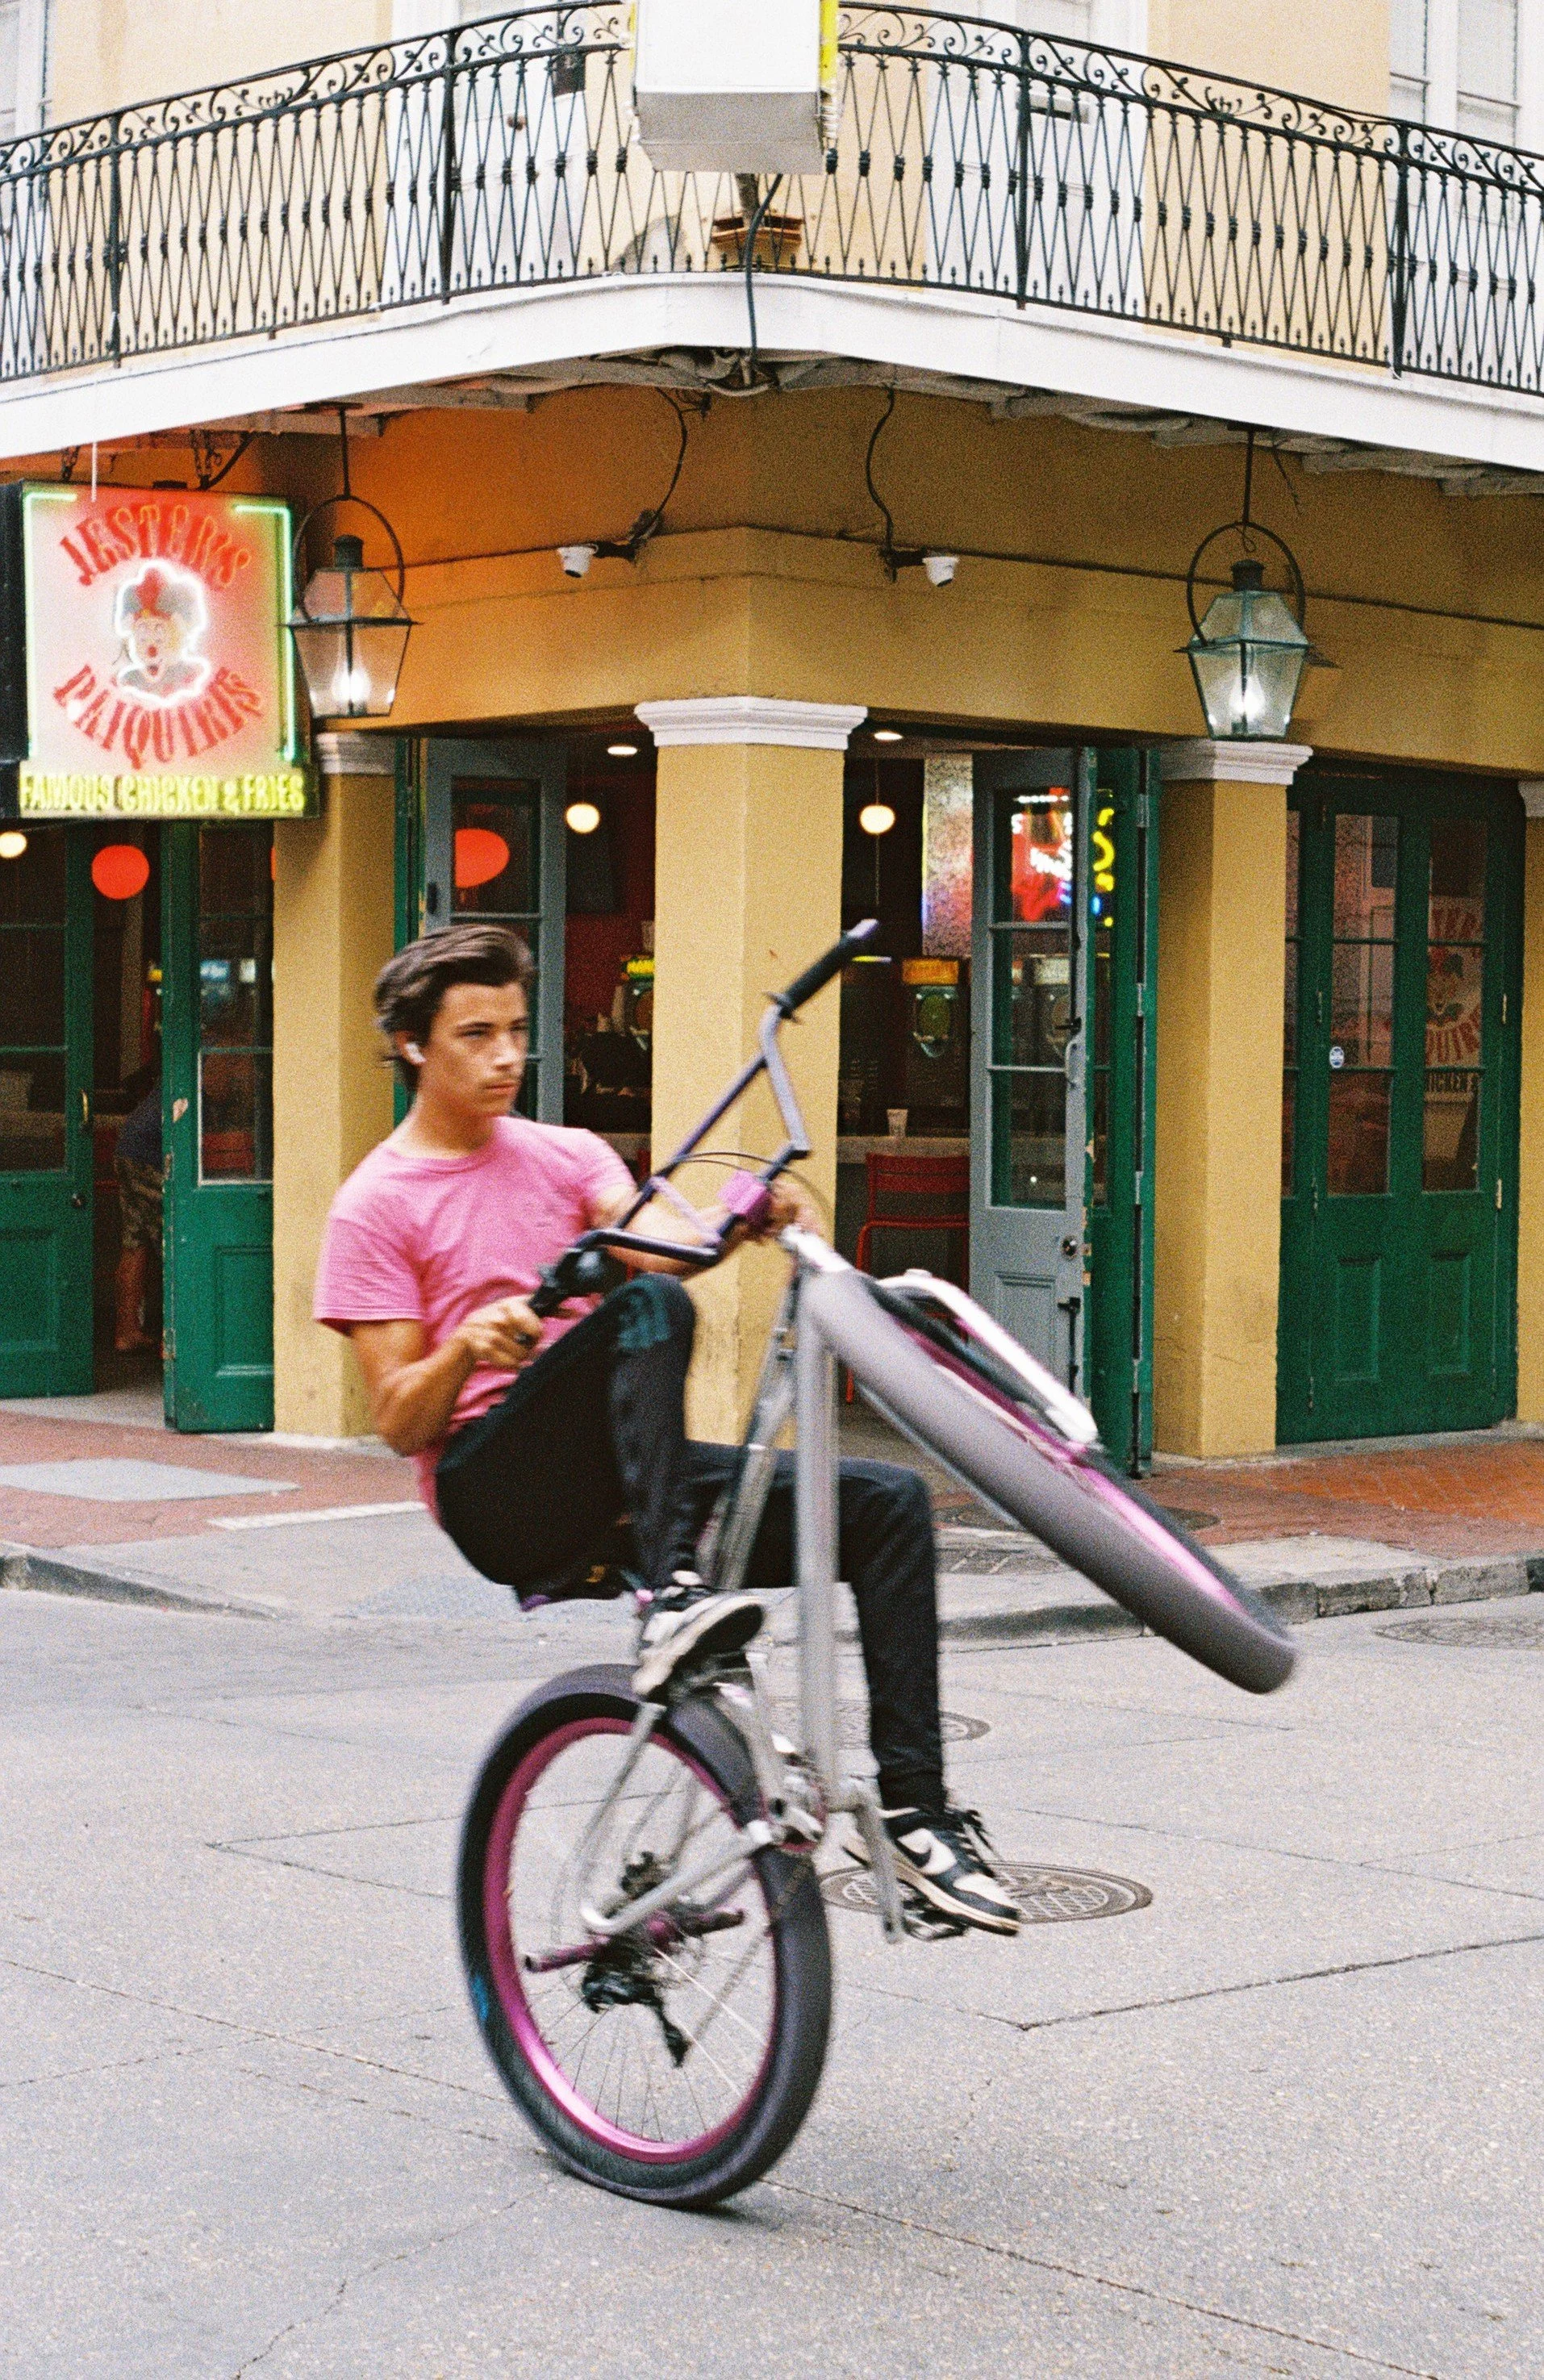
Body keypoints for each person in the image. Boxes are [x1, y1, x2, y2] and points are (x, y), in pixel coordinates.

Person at [313, 921, 1018, 1935]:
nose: (508, 1055)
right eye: (476, 1033)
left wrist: (744, 1214)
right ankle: (670, 1593)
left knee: (885, 1505)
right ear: (415, 1045)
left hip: (624, 1476)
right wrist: (467, 1345)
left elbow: (666, 1250)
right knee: (645, 1313)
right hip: (494, 1486)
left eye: (517, 1029)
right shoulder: (374, 1204)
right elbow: (395, 1418)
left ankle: (917, 1816)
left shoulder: (564, 1156)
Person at [113, 1071, 162, 1355]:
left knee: (136, 1243)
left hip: (130, 1152)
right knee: (178, 1236)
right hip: (147, 1159)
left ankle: (127, 1331)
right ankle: (174, 1342)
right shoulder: (212, 1055)